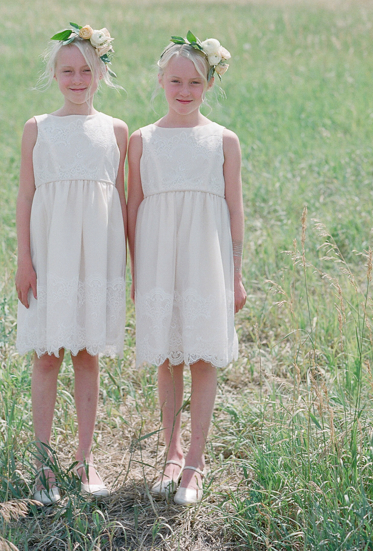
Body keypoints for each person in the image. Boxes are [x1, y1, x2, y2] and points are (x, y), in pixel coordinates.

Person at [127, 32, 247, 506]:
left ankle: (194, 463)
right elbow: (134, 208)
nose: (184, 90)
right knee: (168, 356)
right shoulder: (142, 140)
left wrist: (235, 273)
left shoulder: (223, 140)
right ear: (160, 80)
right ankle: (170, 453)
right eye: (175, 80)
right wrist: (136, 272)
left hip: (206, 259)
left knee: (201, 355)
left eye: (194, 82)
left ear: (209, 84)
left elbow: (235, 210)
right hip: (158, 258)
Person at [15, 23, 128, 504]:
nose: (77, 78)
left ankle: (85, 461)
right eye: (67, 70)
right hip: (49, 253)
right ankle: (43, 469)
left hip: (96, 256)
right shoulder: (38, 127)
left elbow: (120, 201)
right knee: (47, 356)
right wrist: (24, 260)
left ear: (101, 72)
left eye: (86, 69)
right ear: (54, 74)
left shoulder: (117, 131)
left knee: (88, 355)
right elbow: (25, 195)